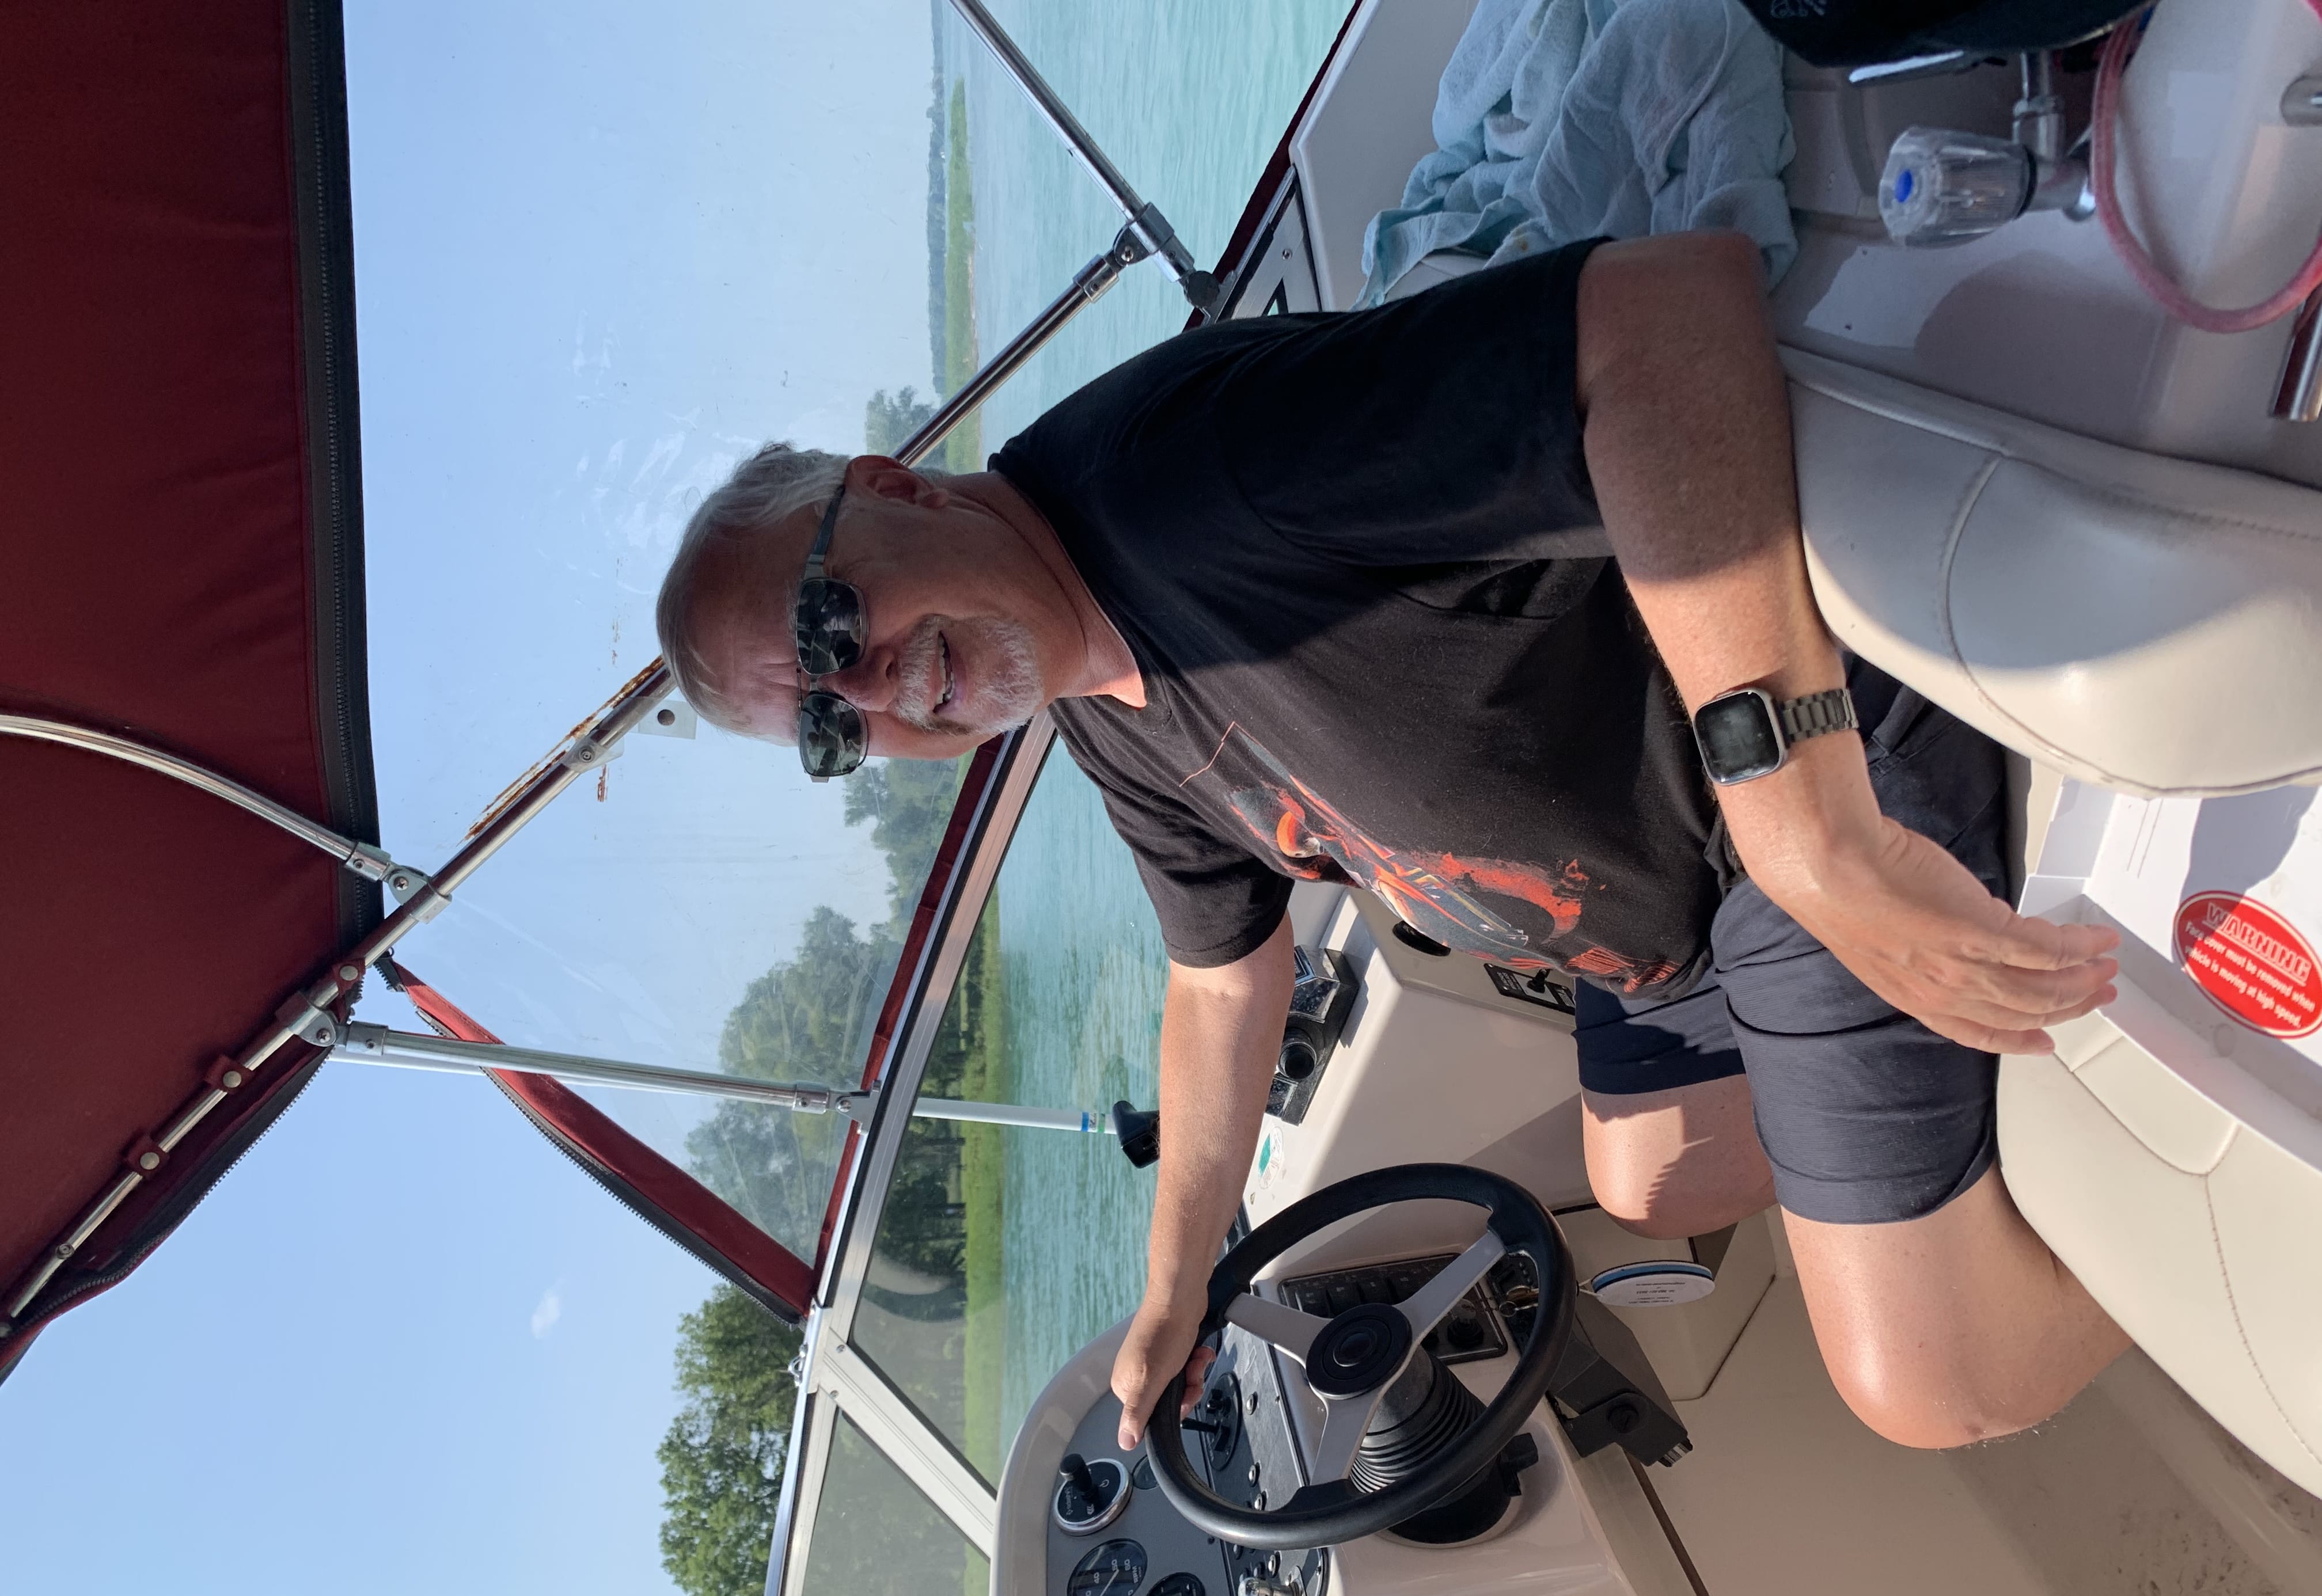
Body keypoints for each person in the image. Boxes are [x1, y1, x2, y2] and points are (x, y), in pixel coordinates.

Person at [653, 230, 2127, 1455]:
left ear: (893, 486)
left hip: (1792, 775)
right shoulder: (1090, 690)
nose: (871, 690)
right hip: (1671, 923)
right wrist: (1180, 1286)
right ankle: (1959, 1114)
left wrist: (1805, 830)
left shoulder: (1192, 481)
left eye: (827, 625)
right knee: (1646, 1186)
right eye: (828, 727)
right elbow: (1224, 979)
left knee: (1924, 1382)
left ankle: (2180, 1217)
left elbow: (1666, 315)